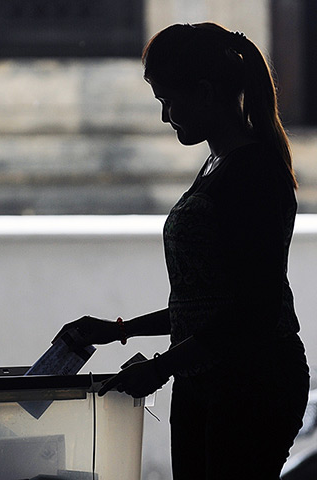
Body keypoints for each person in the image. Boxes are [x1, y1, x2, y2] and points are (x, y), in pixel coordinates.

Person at [54, 22, 309, 479]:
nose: (165, 116)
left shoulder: (253, 175)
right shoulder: (219, 166)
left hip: (251, 386)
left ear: (206, 92)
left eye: (168, 101)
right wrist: (120, 330)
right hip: (205, 381)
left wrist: (163, 367)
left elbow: (254, 309)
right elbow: (206, 305)